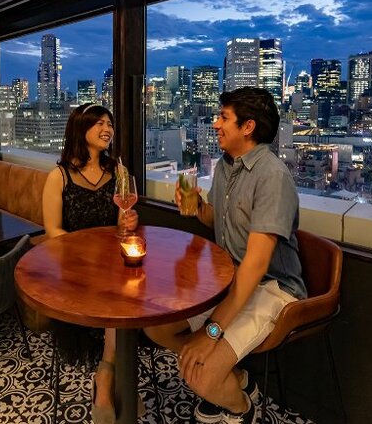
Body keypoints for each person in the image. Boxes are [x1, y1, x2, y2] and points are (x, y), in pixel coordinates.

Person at [145, 87, 306, 424]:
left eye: (224, 118)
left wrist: (212, 333)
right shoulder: (225, 166)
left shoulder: (272, 177)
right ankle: (236, 380)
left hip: (272, 288)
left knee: (199, 376)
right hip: (231, 277)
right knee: (156, 328)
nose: (215, 124)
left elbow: (256, 265)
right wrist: (198, 207)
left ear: (248, 127)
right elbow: (214, 217)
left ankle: (241, 409)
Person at [40, 102, 139, 424]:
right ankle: (113, 377)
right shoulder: (59, 177)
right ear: (79, 129)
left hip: (113, 263)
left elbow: (124, 224)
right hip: (74, 268)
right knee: (117, 299)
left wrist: (127, 224)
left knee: (124, 292)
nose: (107, 128)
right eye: (98, 122)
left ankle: (106, 376)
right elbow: (53, 230)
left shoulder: (119, 173)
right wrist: (83, 257)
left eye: (109, 122)